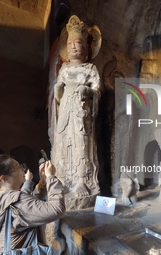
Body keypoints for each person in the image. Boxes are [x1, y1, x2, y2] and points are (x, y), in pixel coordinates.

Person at [53, 15, 101, 201]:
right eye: (70, 42)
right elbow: (57, 98)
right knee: (64, 144)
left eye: (78, 42)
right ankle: (65, 180)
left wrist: (87, 90)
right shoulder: (63, 70)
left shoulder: (90, 69)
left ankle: (82, 180)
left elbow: (97, 90)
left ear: (87, 48)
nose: (74, 46)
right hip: (65, 111)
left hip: (82, 112)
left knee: (82, 143)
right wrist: (58, 90)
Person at [0, 154, 65, 255]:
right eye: (17, 167)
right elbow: (56, 209)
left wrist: (42, 183)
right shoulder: (15, 200)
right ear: (3, 178)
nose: (22, 169)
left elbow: (28, 210)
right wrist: (51, 177)